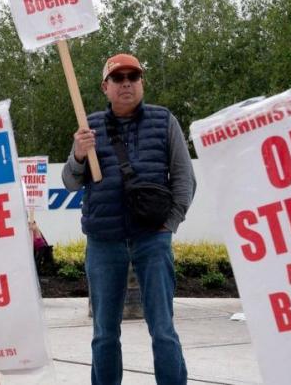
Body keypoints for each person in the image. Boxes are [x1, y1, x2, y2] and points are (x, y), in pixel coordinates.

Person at [62, 53, 196, 385]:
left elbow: (184, 178)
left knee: (163, 329)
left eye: (132, 77)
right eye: (118, 78)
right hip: (104, 242)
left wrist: (170, 225)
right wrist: (79, 153)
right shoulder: (87, 126)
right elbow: (69, 181)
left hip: (152, 239)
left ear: (141, 83)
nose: (126, 84)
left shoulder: (164, 121)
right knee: (105, 332)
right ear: (105, 87)